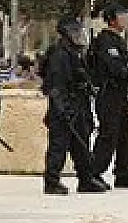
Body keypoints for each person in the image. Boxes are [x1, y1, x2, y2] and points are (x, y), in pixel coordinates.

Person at [41, 17, 107, 195]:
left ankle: (86, 179)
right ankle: (52, 181)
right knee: (59, 146)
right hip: (64, 107)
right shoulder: (59, 55)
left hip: (79, 104)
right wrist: (62, 108)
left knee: (81, 144)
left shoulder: (75, 54)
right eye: (75, 33)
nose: (79, 36)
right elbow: (54, 86)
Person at [86, 5, 128, 187]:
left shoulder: (118, 40)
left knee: (126, 134)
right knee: (108, 133)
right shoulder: (105, 41)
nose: (126, 19)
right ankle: (94, 172)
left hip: (120, 93)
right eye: (121, 16)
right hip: (108, 93)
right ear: (112, 20)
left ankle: (123, 173)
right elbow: (114, 68)